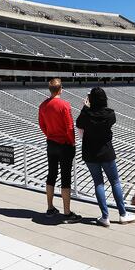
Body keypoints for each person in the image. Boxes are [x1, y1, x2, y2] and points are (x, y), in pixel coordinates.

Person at [76, 87, 135, 227]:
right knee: (115, 182)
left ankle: (105, 217)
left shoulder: (86, 114)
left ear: (90, 99)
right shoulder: (110, 114)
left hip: (90, 153)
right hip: (106, 152)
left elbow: (79, 123)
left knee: (98, 183)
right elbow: (108, 120)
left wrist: (85, 108)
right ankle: (123, 214)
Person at [38, 78, 82, 223]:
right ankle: (67, 212)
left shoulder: (43, 105)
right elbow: (69, 127)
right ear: (60, 89)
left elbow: (42, 125)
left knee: (51, 175)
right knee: (65, 177)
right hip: (64, 144)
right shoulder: (64, 105)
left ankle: (50, 208)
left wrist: (50, 135)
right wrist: (72, 142)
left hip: (51, 143)